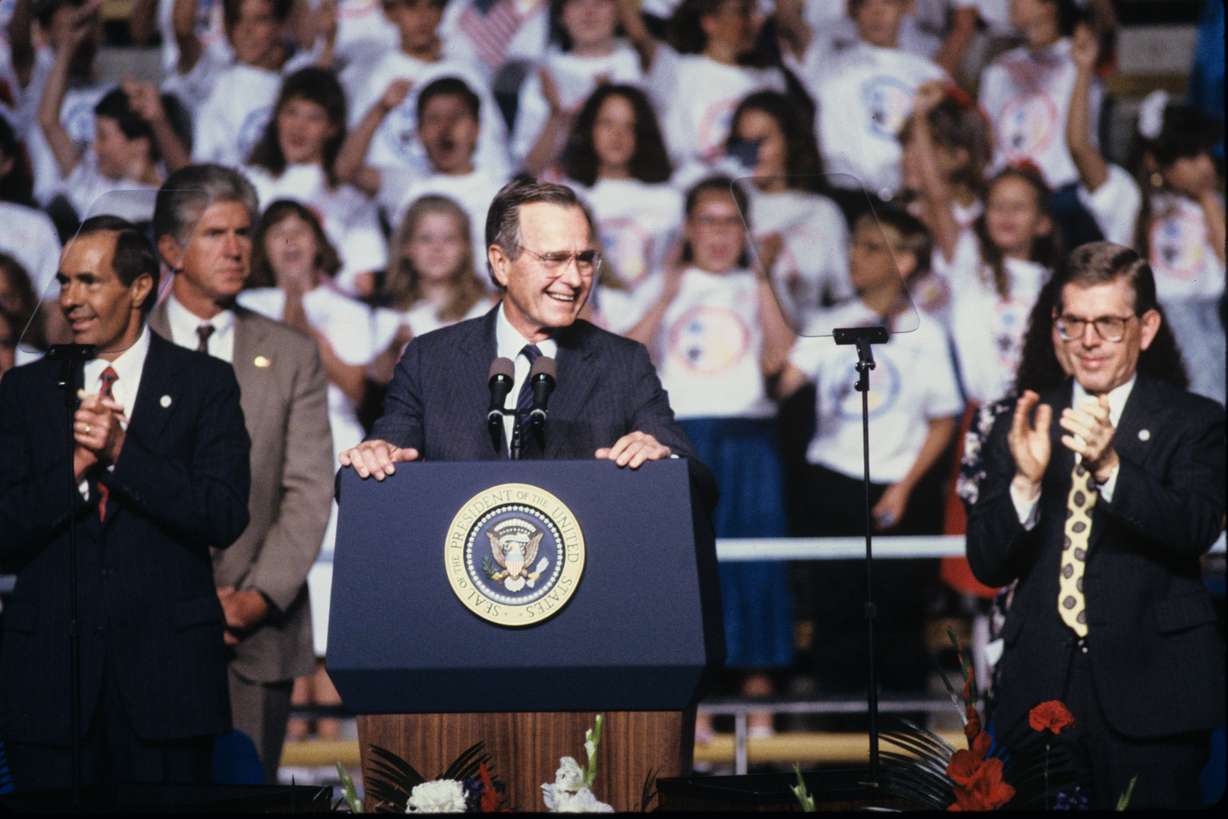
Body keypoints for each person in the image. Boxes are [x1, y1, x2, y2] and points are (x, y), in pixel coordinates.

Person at [965, 241, 1225, 810]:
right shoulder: (1021, 419)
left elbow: (1194, 527)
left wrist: (1111, 468)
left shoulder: (1196, 421)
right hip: (1040, 695)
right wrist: (1025, 485)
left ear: (1146, 327)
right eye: (1074, 323)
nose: (1088, 341)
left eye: (1108, 323)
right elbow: (986, 563)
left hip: (1154, 695)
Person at [0, 215, 251, 789]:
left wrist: (121, 451)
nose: (70, 299)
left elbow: (223, 512)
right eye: (64, 282)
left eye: (89, 282)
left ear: (140, 288)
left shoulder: (205, 383)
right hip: (50, 689)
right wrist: (75, 473)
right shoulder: (25, 391)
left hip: (167, 688)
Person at [150, 164, 333, 784]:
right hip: (146, 627)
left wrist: (253, 599)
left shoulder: (291, 353)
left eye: (244, 232)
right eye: (214, 234)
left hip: (256, 633)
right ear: (171, 249)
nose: (236, 248)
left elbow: (308, 490)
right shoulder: (126, 346)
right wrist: (188, 603)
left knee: (245, 797)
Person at [339, 176, 711, 482]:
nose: (574, 278)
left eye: (584, 259)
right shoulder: (429, 360)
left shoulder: (623, 363)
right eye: (553, 258)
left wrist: (662, 459)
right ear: (501, 264)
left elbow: (695, 477)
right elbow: (379, 459)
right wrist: (371, 458)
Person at [626, 175, 793, 740]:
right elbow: (626, 360)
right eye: (707, 221)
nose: (719, 235)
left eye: (730, 222)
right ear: (689, 229)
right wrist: (669, 290)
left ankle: (761, 720)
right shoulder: (663, 282)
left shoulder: (758, 284)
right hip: (682, 440)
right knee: (685, 573)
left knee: (756, 574)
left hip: (750, 441)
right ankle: (691, 721)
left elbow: (779, 361)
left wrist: (764, 276)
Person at [777, 206, 961, 696]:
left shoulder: (928, 331)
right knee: (836, 614)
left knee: (898, 617)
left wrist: (903, 488)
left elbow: (943, 420)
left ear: (905, 260)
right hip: (833, 483)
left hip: (900, 487)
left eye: (871, 247)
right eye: (855, 244)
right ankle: (837, 744)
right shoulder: (830, 321)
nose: (855, 256)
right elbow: (783, 380)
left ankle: (904, 751)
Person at [337, 75, 507, 291]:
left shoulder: (503, 195)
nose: (445, 129)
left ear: (476, 128)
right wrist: (380, 109)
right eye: (434, 119)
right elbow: (346, 170)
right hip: (414, 304)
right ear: (418, 132)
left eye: (456, 118)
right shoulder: (405, 184)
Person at [242, 66, 387, 295]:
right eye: (291, 113)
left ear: (332, 128)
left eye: (313, 118)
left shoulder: (348, 194)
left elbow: (363, 279)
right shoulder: (248, 182)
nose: (298, 127)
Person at [511, 0, 643, 176]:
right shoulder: (545, 73)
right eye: (577, 3)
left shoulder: (642, 66)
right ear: (561, 14)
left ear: (618, 12)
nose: (589, 12)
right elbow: (530, 167)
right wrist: (556, 114)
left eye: (599, 4)